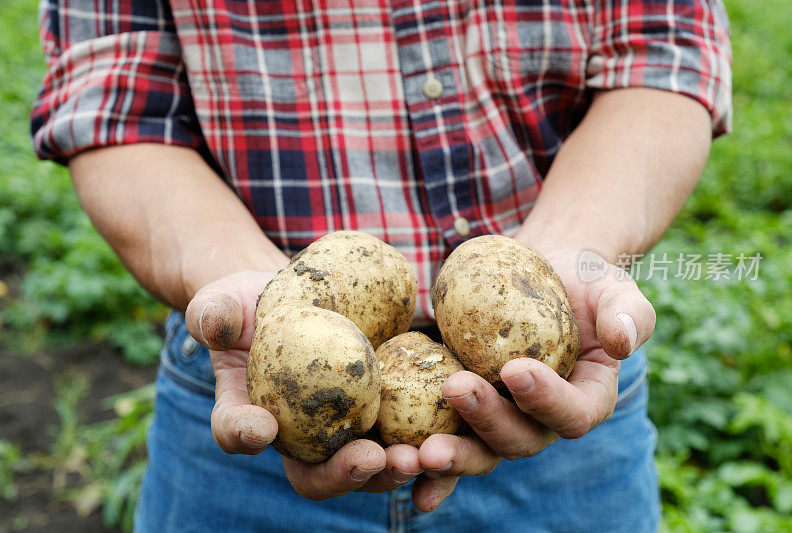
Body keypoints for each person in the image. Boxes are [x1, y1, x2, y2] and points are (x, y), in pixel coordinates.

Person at [31, 0, 731, 530]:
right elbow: (113, 96)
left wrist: (566, 253)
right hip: (242, 398)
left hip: (568, 401)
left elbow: (664, 48)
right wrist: (256, 298)